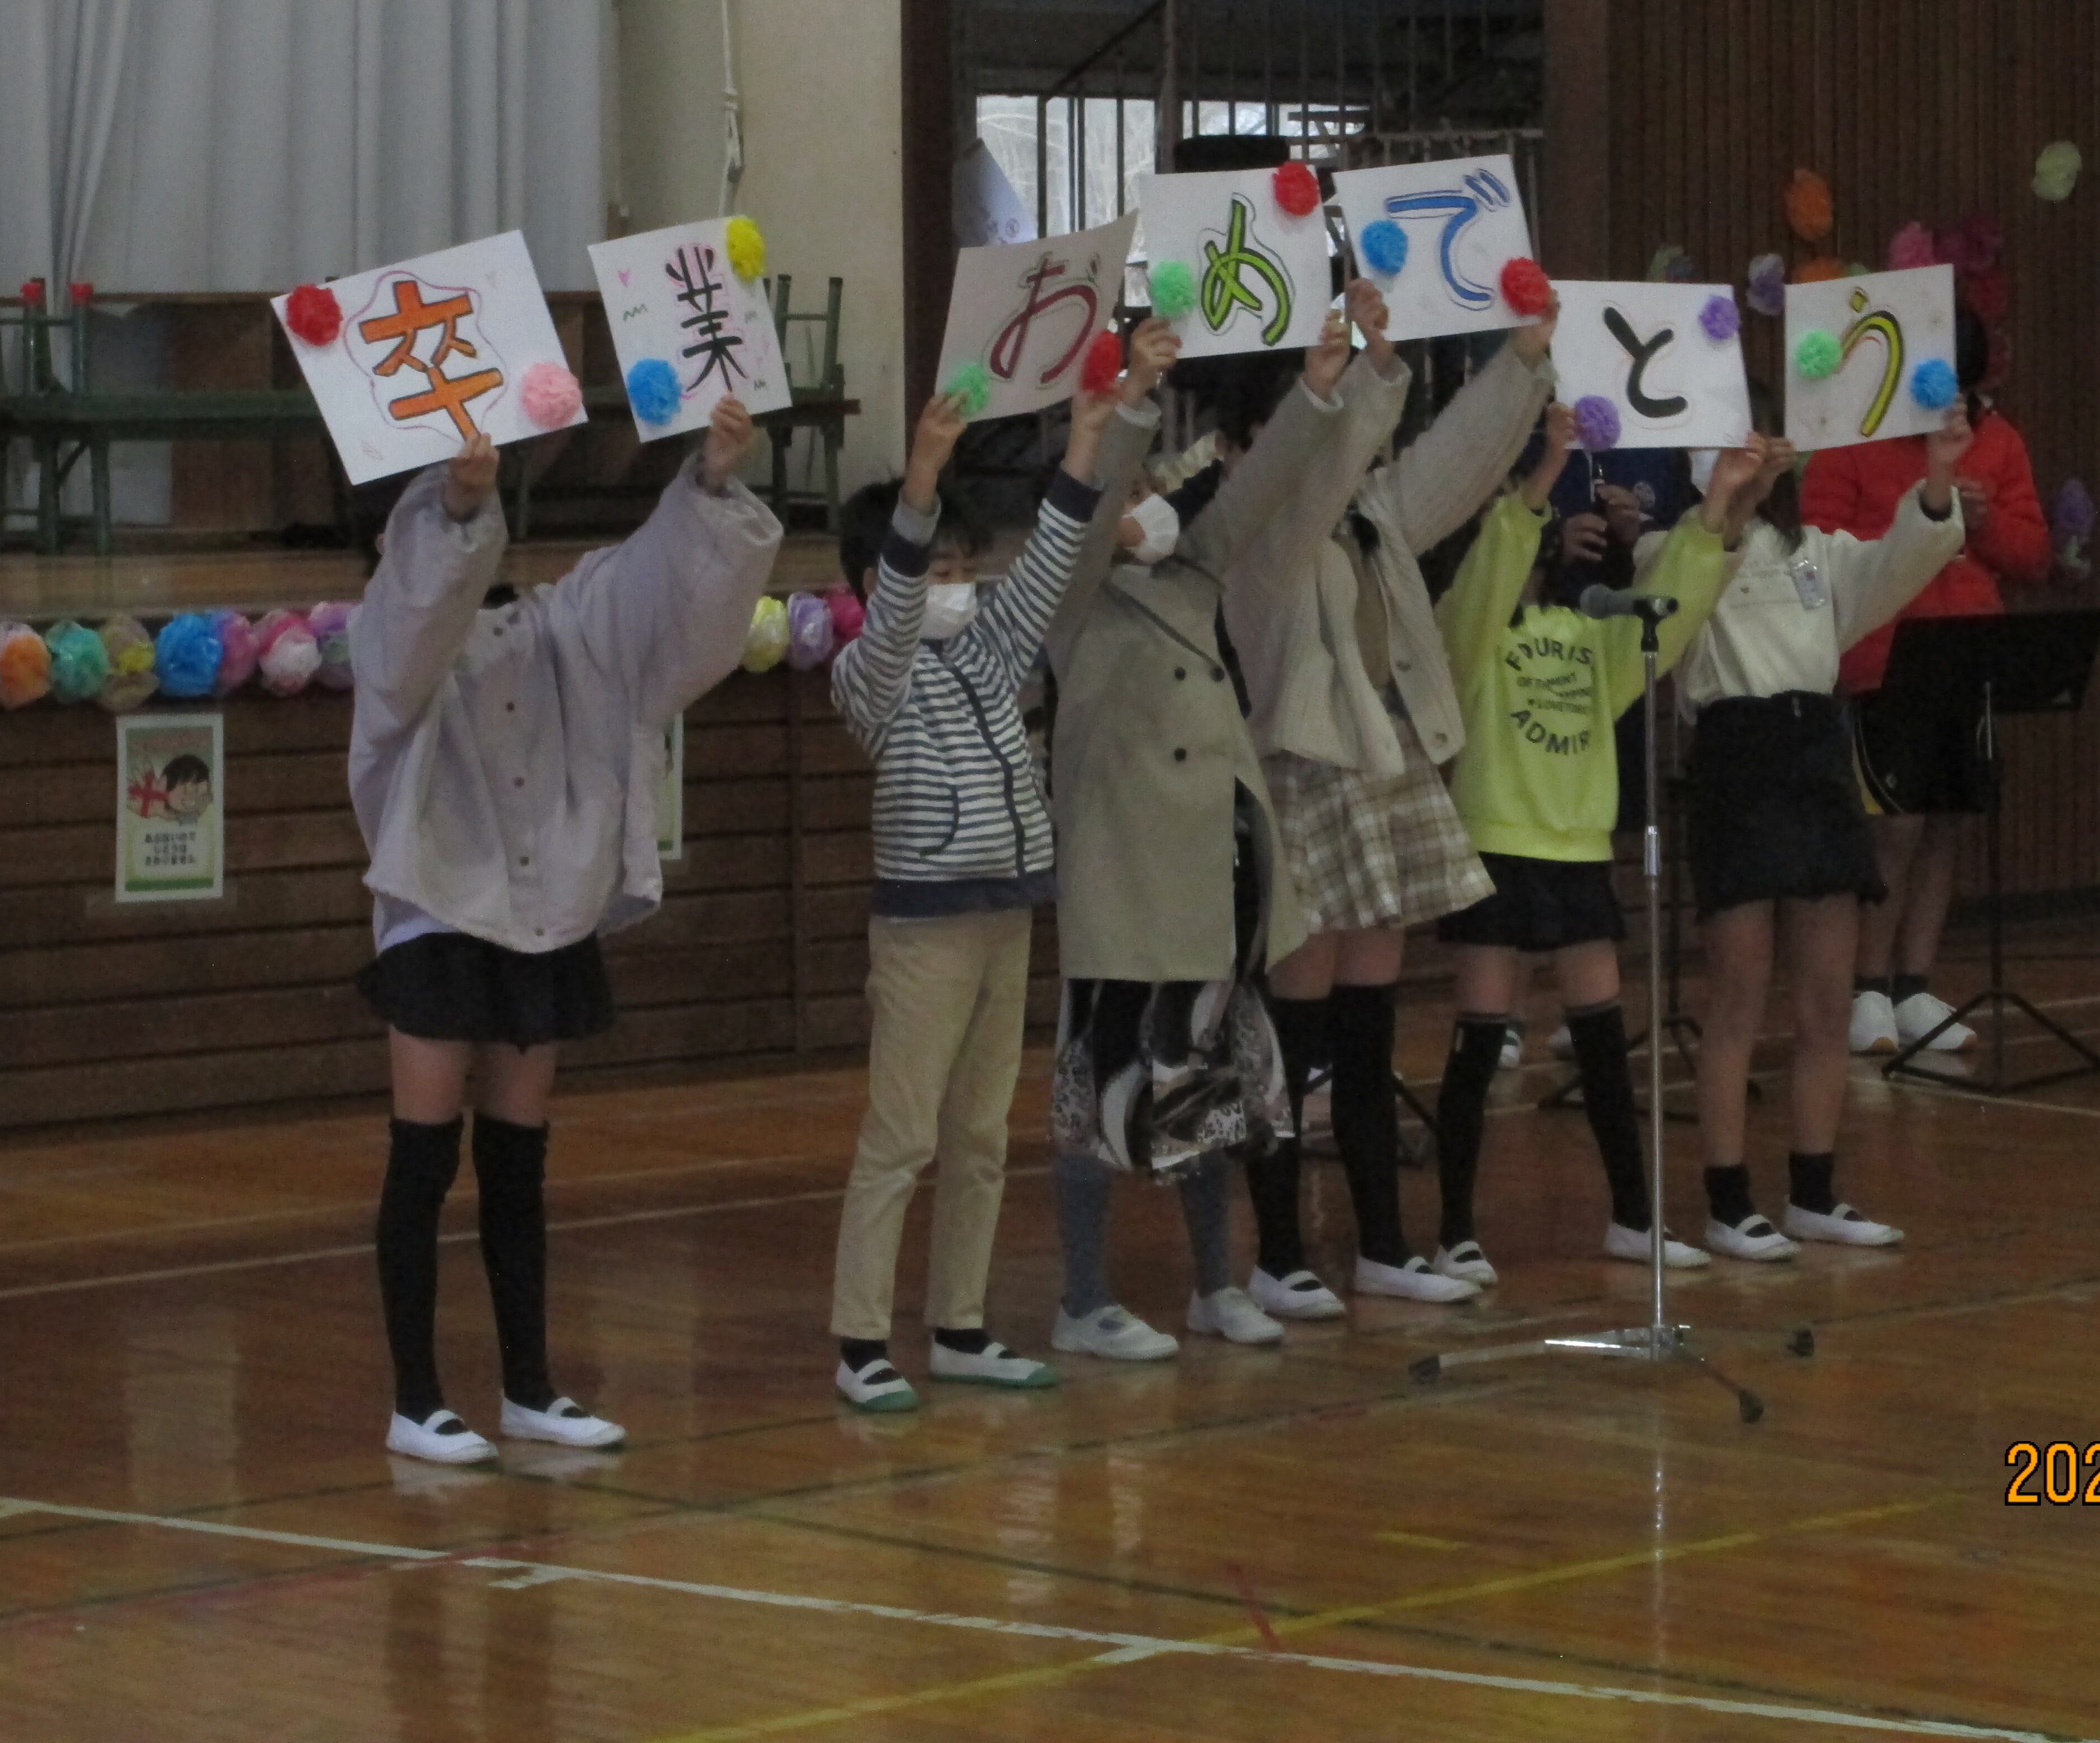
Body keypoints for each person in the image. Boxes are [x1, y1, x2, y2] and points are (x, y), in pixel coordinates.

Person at [351, 397, 782, 1463]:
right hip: (440, 911)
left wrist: (712, 480)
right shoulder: (393, 646)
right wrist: (455, 499)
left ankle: (529, 1385)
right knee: (422, 1155)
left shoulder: (569, 617)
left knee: (517, 1156)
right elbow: (412, 617)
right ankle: (416, 1398)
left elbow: (660, 595)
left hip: (539, 917)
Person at [1039, 303, 1378, 1357]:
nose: (1143, 503)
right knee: (1104, 1080)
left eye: (1149, 487)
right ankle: (1084, 1295)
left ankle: (1213, 1283)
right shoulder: (1071, 589)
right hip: (1122, 873)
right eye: (1127, 487)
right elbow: (1088, 519)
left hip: (1214, 860)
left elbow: (1256, 490)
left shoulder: (1193, 573)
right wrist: (1128, 406)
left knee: (1213, 1081)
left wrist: (1319, 387)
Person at [1224, 295, 1558, 1305]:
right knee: (1291, 1037)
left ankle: (1381, 1242)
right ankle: (1279, 1253)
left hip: (1382, 762)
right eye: (1296, 413)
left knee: (1370, 1029)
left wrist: (1522, 361)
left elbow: (1456, 464)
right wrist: (1356, 385)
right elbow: (1316, 474)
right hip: (1298, 772)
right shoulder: (1248, 538)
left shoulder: (1370, 517)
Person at [821, 375, 1113, 1413]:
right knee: (901, 1137)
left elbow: (1047, 565)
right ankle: (861, 1339)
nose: (954, 582)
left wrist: (1084, 444)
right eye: (931, 567)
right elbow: (898, 613)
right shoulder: (868, 673)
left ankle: (959, 1325)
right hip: (922, 930)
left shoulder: (991, 651)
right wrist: (920, 483)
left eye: (959, 565)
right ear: (878, 580)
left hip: (1006, 911)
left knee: (984, 1134)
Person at [1425, 406, 1747, 1282]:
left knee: (1605, 1046)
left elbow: (1669, 616)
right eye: (1530, 531)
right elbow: (1492, 565)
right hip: (1498, 847)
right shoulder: (1468, 636)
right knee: (1482, 1041)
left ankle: (1634, 1218)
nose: (1540, 544)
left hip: (1575, 853)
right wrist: (1545, 469)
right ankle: (1454, 1228)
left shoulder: (1587, 632)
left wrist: (1714, 506)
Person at [1669, 417, 1965, 1261]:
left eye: (1762, 442)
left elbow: (1899, 564)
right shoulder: (1685, 543)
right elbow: (1686, 597)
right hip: (1737, 756)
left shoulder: (1819, 553)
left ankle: (1814, 1191)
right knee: (1738, 995)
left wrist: (1937, 479)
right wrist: (1739, 495)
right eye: (1733, 445)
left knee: (1828, 996)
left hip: (1814, 756)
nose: (1753, 457)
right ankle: (1729, 1202)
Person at [1800, 310, 2049, 1057]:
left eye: (1965, 388)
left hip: (1969, 654)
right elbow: (1818, 543)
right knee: (1893, 826)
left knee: (1948, 819)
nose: (1954, 402)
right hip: (1885, 655)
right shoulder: (1853, 442)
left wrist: (1982, 525)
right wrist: (1922, 522)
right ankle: (1866, 988)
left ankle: (1913, 984)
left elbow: (2033, 554)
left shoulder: (1999, 442)